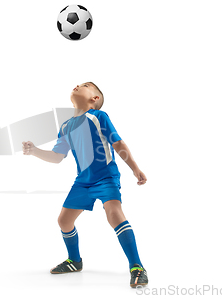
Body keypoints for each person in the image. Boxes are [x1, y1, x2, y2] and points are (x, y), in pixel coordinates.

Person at [22, 82, 148, 287]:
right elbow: (57, 156)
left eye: (86, 85)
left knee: (114, 215)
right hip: (82, 182)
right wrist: (35, 150)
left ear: (94, 99)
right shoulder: (65, 126)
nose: (78, 85)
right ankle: (75, 261)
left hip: (106, 177)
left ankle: (137, 267)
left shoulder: (99, 117)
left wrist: (134, 168)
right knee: (64, 221)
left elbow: (118, 143)